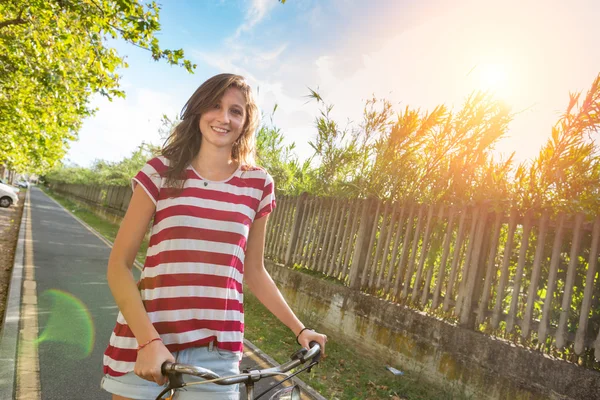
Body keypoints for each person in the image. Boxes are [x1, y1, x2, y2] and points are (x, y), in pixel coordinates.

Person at [100, 73, 327, 400]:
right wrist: (149, 342)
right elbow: (118, 266)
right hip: (147, 340)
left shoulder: (258, 184)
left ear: (246, 121)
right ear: (198, 111)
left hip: (216, 350)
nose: (224, 118)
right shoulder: (160, 172)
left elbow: (254, 271)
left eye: (236, 111)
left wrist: (300, 329)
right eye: (215, 106)